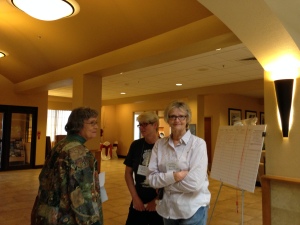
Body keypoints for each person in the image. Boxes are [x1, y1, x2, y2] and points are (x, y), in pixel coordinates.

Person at [31, 107, 103, 225]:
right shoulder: (79, 152)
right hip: (63, 217)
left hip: (45, 213)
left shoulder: (61, 145)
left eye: (96, 122)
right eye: (92, 123)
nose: (96, 126)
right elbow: (82, 196)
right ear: (78, 125)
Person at [148, 100, 211, 225]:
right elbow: (151, 179)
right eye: (173, 116)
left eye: (181, 116)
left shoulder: (198, 144)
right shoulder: (159, 144)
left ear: (187, 119)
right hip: (167, 209)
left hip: (192, 208)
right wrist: (175, 176)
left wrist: (164, 183)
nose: (177, 120)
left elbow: (194, 184)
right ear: (167, 119)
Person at [123, 111, 164, 225]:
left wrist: (157, 200)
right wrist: (135, 198)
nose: (141, 127)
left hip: (160, 201)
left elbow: (171, 177)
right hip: (139, 198)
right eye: (140, 124)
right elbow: (128, 173)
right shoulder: (136, 145)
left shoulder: (165, 146)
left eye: (145, 124)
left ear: (155, 125)